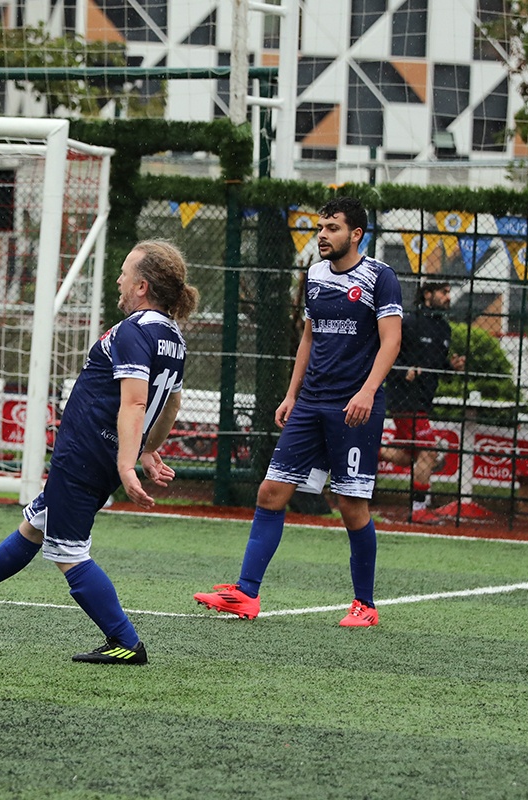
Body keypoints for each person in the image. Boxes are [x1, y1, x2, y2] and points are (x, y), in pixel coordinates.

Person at [0, 240, 200, 664]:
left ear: (142, 286)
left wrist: (128, 463)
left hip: (86, 452)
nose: (118, 280)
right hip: (99, 456)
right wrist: (147, 450)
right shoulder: (173, 337)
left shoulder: (135, 330)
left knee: (68, 552)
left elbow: (136, 402)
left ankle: (126, 642)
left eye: (124, 273)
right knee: (37, 525)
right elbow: (171, 403)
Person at [193, 197, 402, 627]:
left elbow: (392, 340)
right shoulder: (315, 275)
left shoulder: (380, 277)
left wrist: (366, 392)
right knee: (270, 492)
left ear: (356, 234)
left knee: (351, 506)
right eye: (320, 227)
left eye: (332, 228)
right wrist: (291, 395)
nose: (322, 235)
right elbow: (308, 338)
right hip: (309, 403)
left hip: (354, 408)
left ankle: (365, 605)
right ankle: (246, 593)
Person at [379, 279, 465, 525]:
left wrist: (451, 367)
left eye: (449, 292)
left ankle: (373, 450)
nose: (448, 296)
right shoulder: (408, 322)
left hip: (424, 401)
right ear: (427, 294)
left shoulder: (444, 329)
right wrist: (402, 370)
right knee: (428, 451)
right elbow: (385, 352)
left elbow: (435, 366)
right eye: (443, 292)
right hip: (404, 399)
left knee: (411, 455)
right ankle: (418, 509)